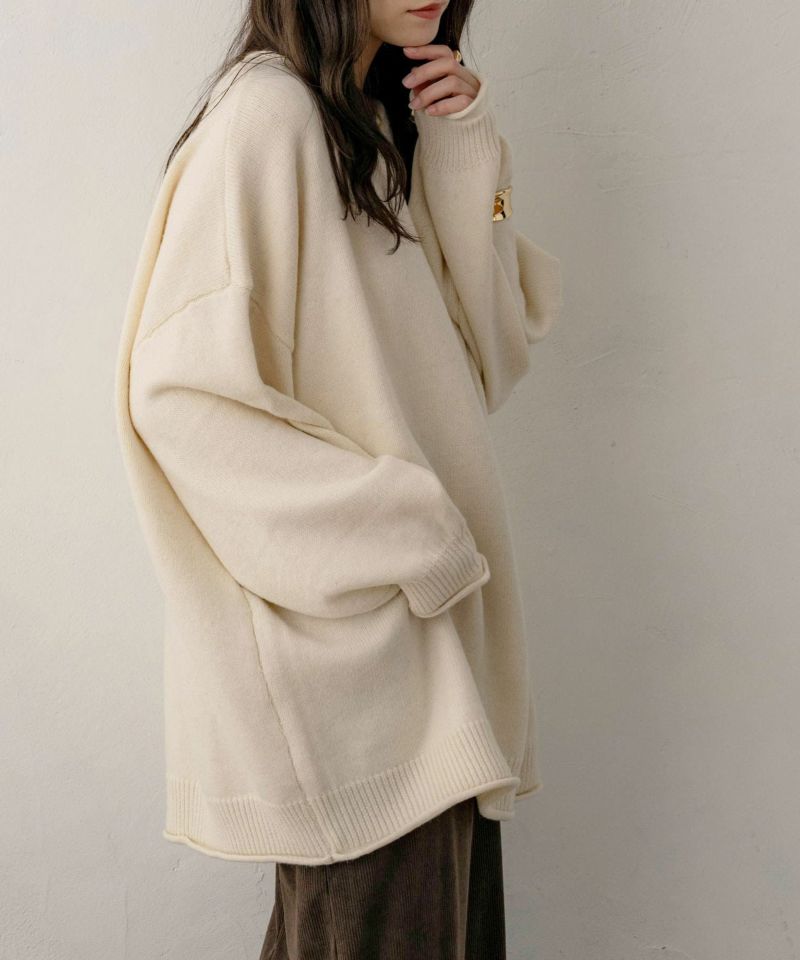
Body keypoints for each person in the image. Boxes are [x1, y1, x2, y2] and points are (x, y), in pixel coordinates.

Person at [114, 0, 563, 956]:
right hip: (359, 677)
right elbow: (181, 397)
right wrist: (412, 532)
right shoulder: (268, 116)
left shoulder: (371, 128)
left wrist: (466, 154)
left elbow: (487, 356)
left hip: (430, 664)